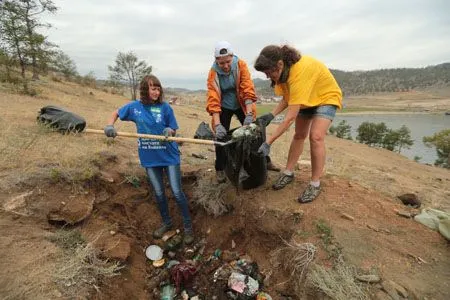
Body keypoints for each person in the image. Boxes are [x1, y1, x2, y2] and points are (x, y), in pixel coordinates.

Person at [104, 75, 194, 244]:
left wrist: (169, 130)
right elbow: (115, 113)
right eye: (153, 88)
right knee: (159, 193)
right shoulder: (134, 107)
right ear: (145, 90)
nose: (156, 91)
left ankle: (188, 227)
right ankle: (167, 223)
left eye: (158, 88)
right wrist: (110, 125)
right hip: (149, 157)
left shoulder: (165, 108)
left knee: (176, 191)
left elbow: (173, 128)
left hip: (169, 156)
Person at [254, 45, 342, 203]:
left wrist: (268, 142)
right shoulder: (281, 75)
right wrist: (271, 115)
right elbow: (287, 99)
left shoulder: (299, 73)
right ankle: (288, 172)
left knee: (316, 136)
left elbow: (289, 118)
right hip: (306, 99)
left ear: (279, 64)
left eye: (268, 72)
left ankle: (315, 183)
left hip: (326, 97)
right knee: (299, 134)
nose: (267, 76)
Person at [206, 41, 280, 183]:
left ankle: (265, 160)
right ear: (216, 61)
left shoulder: (241, 65)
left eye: (228, 62)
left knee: (254, 133)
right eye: (222, 63)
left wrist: (249, 114)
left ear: (232, 57)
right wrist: (217, 124)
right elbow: (213, 97)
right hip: (224, 105)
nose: (226, 66)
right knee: (221, 137)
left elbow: (247, 89)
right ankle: (220, 169)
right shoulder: (213, 73)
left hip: (241, 103)